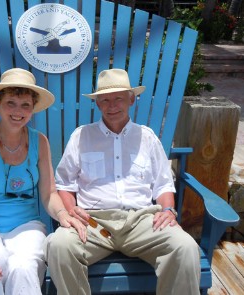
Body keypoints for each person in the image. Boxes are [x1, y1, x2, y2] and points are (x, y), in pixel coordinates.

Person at [44, 69, 201, 294]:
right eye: (105, 99)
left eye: (118, 98)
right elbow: (65, 184)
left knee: (185, 247)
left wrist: (168, 210)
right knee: (58, 245)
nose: (112, 105)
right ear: (97, 104)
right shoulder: (81, 136)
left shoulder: (147, 137)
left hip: (142, 221)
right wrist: (71, 210)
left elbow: (163, 184)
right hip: (94, 223)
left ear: (131, 99)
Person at [0, 68, 85, 295]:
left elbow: (49, 194)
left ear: (32, 109)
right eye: (11, 103)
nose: (18, 111)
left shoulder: (40, 142)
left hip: (26, 225)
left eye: (25, 105)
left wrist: (62, 215)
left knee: (23, 268)